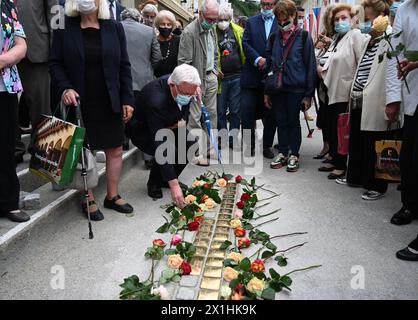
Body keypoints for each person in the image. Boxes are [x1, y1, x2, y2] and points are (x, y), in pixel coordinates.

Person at [50, 0, 135, 221]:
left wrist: (128, 98)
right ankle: (87, 197)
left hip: (109, 98)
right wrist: (65, 87)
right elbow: (55, 63)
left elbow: (124, 65)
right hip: (78, 101)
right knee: (83, 151)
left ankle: (112, 195)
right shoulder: (63, 25)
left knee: (115, 148)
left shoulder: (114, 27)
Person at [335, 0, 400, 201]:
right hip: (358, 97)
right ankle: (354, 176)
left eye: (368, 18)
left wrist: (391, 101)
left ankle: (376, 186)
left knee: (374, 144)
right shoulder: (370, 39)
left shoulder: (390, 38)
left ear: (382, 17)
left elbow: (390, 74)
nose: (364, 23)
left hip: (375, 98)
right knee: (357, 140)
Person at [127, 64, 201, 204]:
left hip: (172, 121)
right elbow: (161, 144)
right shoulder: (156, 100)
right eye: (186, 93)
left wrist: (194, 89)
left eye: (191, 93)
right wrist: (175, 186)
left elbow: (187, 94)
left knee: (191, 145)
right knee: (168, 148)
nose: (188, 97)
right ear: (173, 86)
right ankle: (154, 183)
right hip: (144, 129)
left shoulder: (185, 86)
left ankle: (165, 179)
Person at [318, 4, 369, 180]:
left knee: (342, 128)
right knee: (333, 126)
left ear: (352, 19)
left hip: (345, 90)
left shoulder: (355, 35)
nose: (340, 22)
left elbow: (361, 63)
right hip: (331, 89)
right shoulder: (337, 38)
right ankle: (334, 158)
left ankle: (341, 164)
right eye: (337, 19)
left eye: (343, 18)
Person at [265, 0, 316, 172]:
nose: (282, 24)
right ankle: (283, 152)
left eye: (285, 20)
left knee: (293, 121)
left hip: (297, 88)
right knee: (280, 121)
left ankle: (294, 153)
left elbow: (311, 66)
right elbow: (270, 67)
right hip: (278, 88)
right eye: (278, 20)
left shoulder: (304, 37)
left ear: (293, 16)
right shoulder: (274, 38)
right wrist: (267, 92)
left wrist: (308, 95)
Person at [385, 0, 418, 261]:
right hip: (414, 94)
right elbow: (395, 52)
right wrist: (393, 98)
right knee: (409, 159)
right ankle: (410, 205)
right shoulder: (406, 9)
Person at [178, 0, 220, 166]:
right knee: (195, 117)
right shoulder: (189, 32)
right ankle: (195, 152)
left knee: (212, 115)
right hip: (195, 81)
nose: (211, 23)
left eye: (214, 20)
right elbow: (183, 62)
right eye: (209, 19)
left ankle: (209, 147)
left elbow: (214, 52)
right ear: (201, 14)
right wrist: (193, 85)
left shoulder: (211, 28)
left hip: (210, 77)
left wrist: (215, 70)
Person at [15, 0, 58, 161]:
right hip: (5, 52)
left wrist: (55, 51)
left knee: (41, 107)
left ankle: (43, 155)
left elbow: (55, 13)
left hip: (37, 51)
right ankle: (14, 149)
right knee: (7, 107)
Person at [0, 0, 28, 223]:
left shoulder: (8, 6)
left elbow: (21, 45)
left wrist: (3, 60)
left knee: (6, 144)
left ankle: (8, 202)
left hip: (5, 85)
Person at [240, 0, 278, 159]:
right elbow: (246, 43)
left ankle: (267, 146)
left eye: (270, 5)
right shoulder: (251, 22)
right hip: (251, 76)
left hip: (271, 76)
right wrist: (257, 59)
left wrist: (269, 62)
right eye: (264, 4)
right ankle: (249, 146)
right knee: (247, 112)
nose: (267, 8)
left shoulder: (281, 22)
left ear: (275, 5)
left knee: (270, 114)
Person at [215, 5, 245, 150]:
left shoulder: (238, 31)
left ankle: (233, 139)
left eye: (225, 19)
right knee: (220, 111)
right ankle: (223, 138)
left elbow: (244, 50)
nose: (223, 22)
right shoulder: (212, 33)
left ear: (230, 19)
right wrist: (216, 69)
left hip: (237, 77)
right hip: (221, 79)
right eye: (220, 19)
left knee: (235, 110)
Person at [314, 4, 335, 160]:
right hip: (322, 86)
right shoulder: (324, 36)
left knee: (331, 118)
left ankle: (333, 150)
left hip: (334, 85)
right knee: (324, 116)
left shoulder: (341, 36)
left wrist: (331, 42)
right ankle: (326, 145)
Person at [154, 10, 180, 78]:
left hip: (174, 79)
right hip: (155, 80)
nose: (166, 27)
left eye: (169, 24)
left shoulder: (178, 40)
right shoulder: (153, 41)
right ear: (158, 25)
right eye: (162, 24)